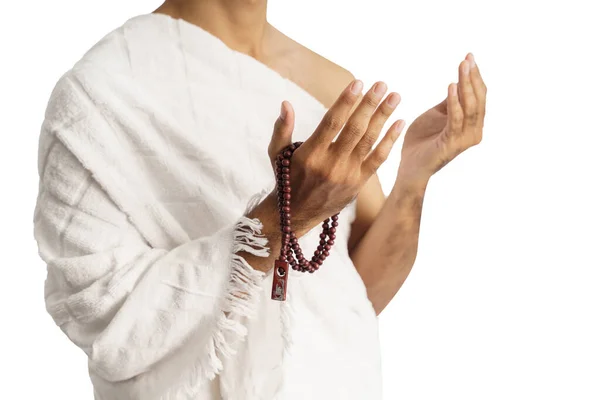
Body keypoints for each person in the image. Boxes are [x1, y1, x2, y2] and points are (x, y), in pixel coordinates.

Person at [32, 0, 487, 399]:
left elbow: (358, 295)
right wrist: (283, 216)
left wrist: (414, 177)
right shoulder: (100, 93)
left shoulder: (329, 84)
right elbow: (102, 318)